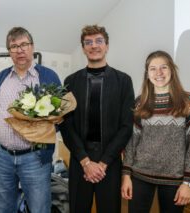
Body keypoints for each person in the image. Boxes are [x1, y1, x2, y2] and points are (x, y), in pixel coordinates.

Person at [0, 27, 61, 213]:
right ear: (9, 51)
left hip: (35, 158)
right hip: (2, 156)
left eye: (24, 44)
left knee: (39, 208)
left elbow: (59, 116)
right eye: (14, 46)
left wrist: (44, 129)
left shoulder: (48, 76)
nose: (19, 50)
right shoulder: (1, 78)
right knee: (4, 208)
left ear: (32, 47)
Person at [59, 25, 135, 213]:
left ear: (107, 46)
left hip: (109, 161)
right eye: (88, 42)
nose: (94, 46)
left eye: (99, 41)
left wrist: (102, 164)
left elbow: (126, 126)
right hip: (79, 159)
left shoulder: (123, 81)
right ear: (83, 48)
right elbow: (66, 126)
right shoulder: (70, 81)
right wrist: (85, 162)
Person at [121, 50, 190, 213]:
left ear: (172, 70)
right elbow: (131, 142)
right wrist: (126, 175)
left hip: (174, 180)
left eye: (164, 67)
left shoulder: (188, 101)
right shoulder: (140, 102)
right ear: (147, 73)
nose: (158, 73)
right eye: (153, 68)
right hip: (140, 176)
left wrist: (188, 183)